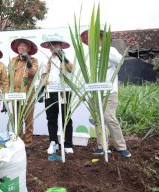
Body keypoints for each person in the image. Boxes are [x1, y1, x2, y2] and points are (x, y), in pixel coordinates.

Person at [81, 30, 131, 158]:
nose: (93, 41)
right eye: (91, 39)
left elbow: (120, 61)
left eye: (96, 38)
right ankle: (101, 146)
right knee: (98, 120)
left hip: (109, 92)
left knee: (109, 117)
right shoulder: (89, 54)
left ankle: (121, 147)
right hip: (94, 92)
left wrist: (104, 52)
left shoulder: (111, 50)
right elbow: (87, 74)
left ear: (102, 38)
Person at [40, 36, 74, 154]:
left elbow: (71, 69)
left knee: (66, 118)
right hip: (50, 92)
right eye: (50, 45)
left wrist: (62, 57)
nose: (52, 47)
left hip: (64, 92)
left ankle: (68, 144)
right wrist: (41, 90)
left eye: (55, 44)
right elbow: (43, 75)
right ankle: (53, 142)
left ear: (61, 45)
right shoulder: (46, 60)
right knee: (51, 118)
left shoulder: (68, 57)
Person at [9, 38, 38, 155]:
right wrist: (7, 95)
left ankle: (27, 144)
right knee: (16, 120)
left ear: (29, 49)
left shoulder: (33, 60)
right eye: (19, 46)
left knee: (28, 120)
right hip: (14, 94)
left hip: (28, 94)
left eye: (24, 46)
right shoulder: (12, 61)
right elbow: (8, 77)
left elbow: (33, 73)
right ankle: (17, 143)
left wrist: (27, 60)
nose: (21, 47)